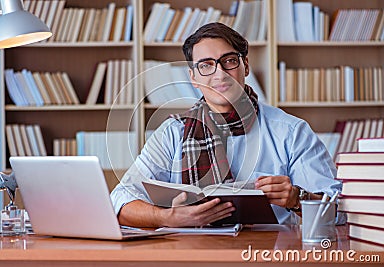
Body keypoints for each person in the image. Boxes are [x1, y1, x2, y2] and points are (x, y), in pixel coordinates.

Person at [110, 22, 341, 227]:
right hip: (190, 254)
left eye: (229, 61)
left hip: (268, 255)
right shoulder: (172, 134)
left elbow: (341, 213)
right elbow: (120, 201)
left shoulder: (291, 132)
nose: (220, 74)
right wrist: (167, 217)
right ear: (193, 78)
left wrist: (297, 199)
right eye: (206, 65)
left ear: (246, 66)